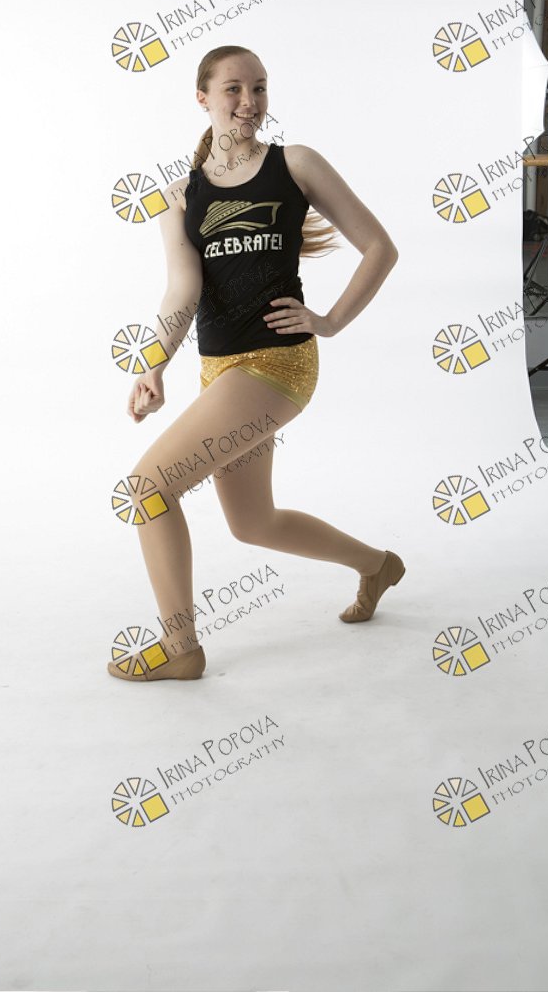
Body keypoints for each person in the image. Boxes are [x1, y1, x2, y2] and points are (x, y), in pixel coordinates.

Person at [108, 45, 402, 683]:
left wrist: (330, 321)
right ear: (203, 99)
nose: (249, 102)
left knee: (149, 487)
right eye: (234, 89)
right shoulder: (180, 196)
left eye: (260, 88)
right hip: (220, 372)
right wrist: (154, 365)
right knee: (254, 523)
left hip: (278, 364)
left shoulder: (294, 165)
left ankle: (181, 648)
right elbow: (182, 291)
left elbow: (380, 247)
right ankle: (377, 565)